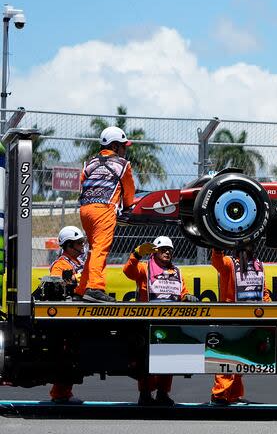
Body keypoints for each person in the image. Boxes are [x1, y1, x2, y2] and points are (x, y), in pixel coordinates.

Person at [123, 236, 199, 406]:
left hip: (170, 321)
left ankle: (163, 393)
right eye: (163, 249)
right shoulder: (144, 268)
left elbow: (182, 293)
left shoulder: (177, 271)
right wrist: (136, 254)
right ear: (155, 251)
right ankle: (145, 394)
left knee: (168, 359)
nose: (167, 252)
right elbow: (128, 271)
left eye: (169, 249)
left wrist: (187, 297)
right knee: (146, 360)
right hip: (147, 322)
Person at [75, 126, 136, 303]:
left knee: (94, 249)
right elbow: (129, 191)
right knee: (100, 249)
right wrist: (128, 208)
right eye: (124, 146)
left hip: (85, 210)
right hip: (104, 209)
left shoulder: (90, 163)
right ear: (115, 146)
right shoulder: (123, 164)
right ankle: (95, 288)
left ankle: (81, 289)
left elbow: (82, 182)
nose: (125, 150)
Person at [209, 247, 271, 406]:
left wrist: (269, 308)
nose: (249, 247)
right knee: (227, 358)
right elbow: (217, 262)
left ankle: (234, 395)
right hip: (230, 320)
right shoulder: (229, 263)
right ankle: (220, 395)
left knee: (241, 359)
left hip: (250, 321)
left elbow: (263, 292)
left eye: (251, 243)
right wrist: (217, 247)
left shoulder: (259, 265)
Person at [49, 226, 87, 405]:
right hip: (67, 314)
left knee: (74, 352)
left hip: (80, 312)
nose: (83, 245)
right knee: (66, 352)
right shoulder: (61, 264)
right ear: (69, 245)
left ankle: (63, 392)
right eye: (79, 242)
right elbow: (59, 286)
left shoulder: (78, 262)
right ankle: (60, 394)